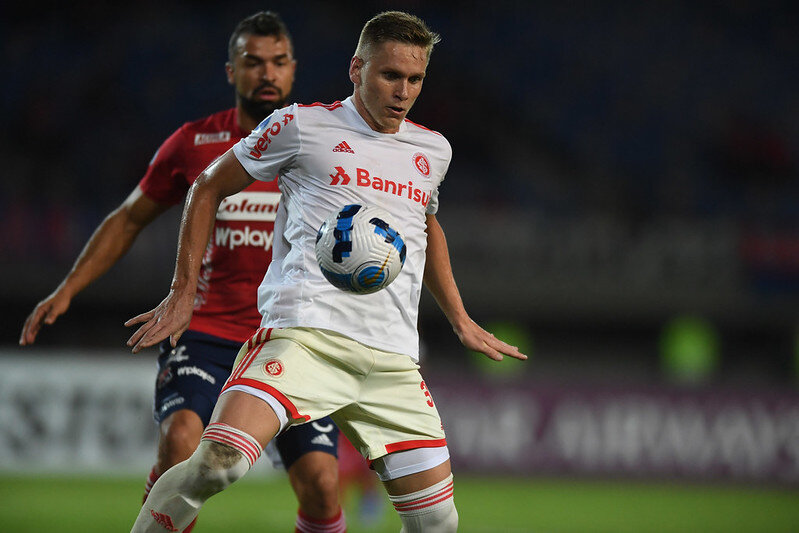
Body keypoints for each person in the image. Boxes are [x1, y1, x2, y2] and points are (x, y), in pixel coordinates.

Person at [127, 10, 526, 533]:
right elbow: (207, 186)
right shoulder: (300, 126)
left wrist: (460, 317)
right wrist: (182, 292)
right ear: (356, 68)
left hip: (391, 359)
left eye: (415, 79)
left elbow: (425, 228)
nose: (403, 92)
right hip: (305, 339)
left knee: (437, 521)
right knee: (219, 463)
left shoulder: (433, 150)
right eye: (390, 75)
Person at [19, 12, 347, 533]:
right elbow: (129, 217)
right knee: (180, 444)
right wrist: (69, 287)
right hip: (206, 332)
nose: (267, 73)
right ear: (231, 71)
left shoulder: (322, 147)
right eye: (254, 62)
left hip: (290, 337)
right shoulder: (194, 143)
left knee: (323, 485)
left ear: (293, 69)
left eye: (279, 62)